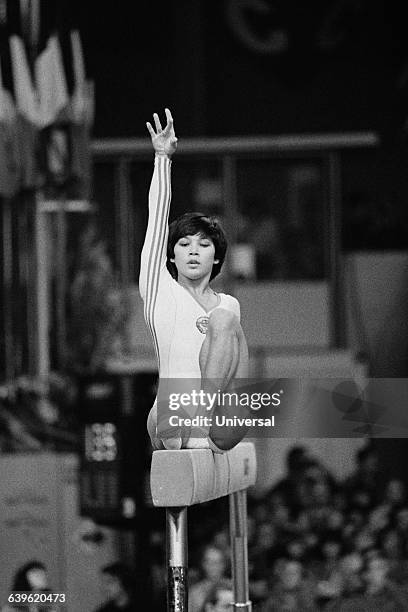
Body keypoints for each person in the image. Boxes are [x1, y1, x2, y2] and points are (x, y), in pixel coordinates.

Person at [140, 109, 249, 451]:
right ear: (169, 255)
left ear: (216, 257)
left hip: (217, 420)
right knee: (166, 418)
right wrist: (162, 158)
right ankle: (188, 419)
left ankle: (205, 415)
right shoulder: (160, 291)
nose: (192, 251)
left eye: (203, 245)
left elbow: (236, 365)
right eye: (183, 244)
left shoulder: (227, 305)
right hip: (172, 415)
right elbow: (156, 221)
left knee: (224, 318)